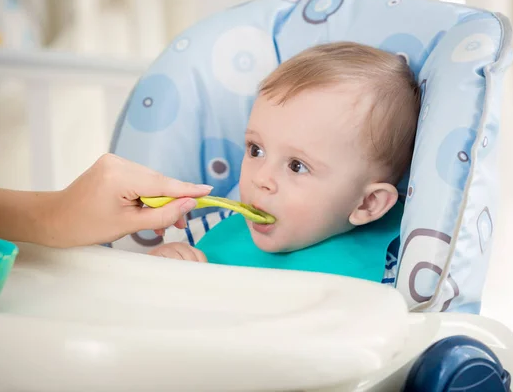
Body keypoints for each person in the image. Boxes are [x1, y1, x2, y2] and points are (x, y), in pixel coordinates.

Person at [147, 42, 421, 282]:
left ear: (367, 203)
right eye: (256, 150)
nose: (261, 178)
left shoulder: (394, 276)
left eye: (296, 166)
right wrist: (161, 268)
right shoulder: (208, 230)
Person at [0, 154, 212, 248]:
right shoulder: (202, 235)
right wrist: (167, 266)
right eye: (253, 149)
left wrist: (52, 218)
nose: (254, 179)